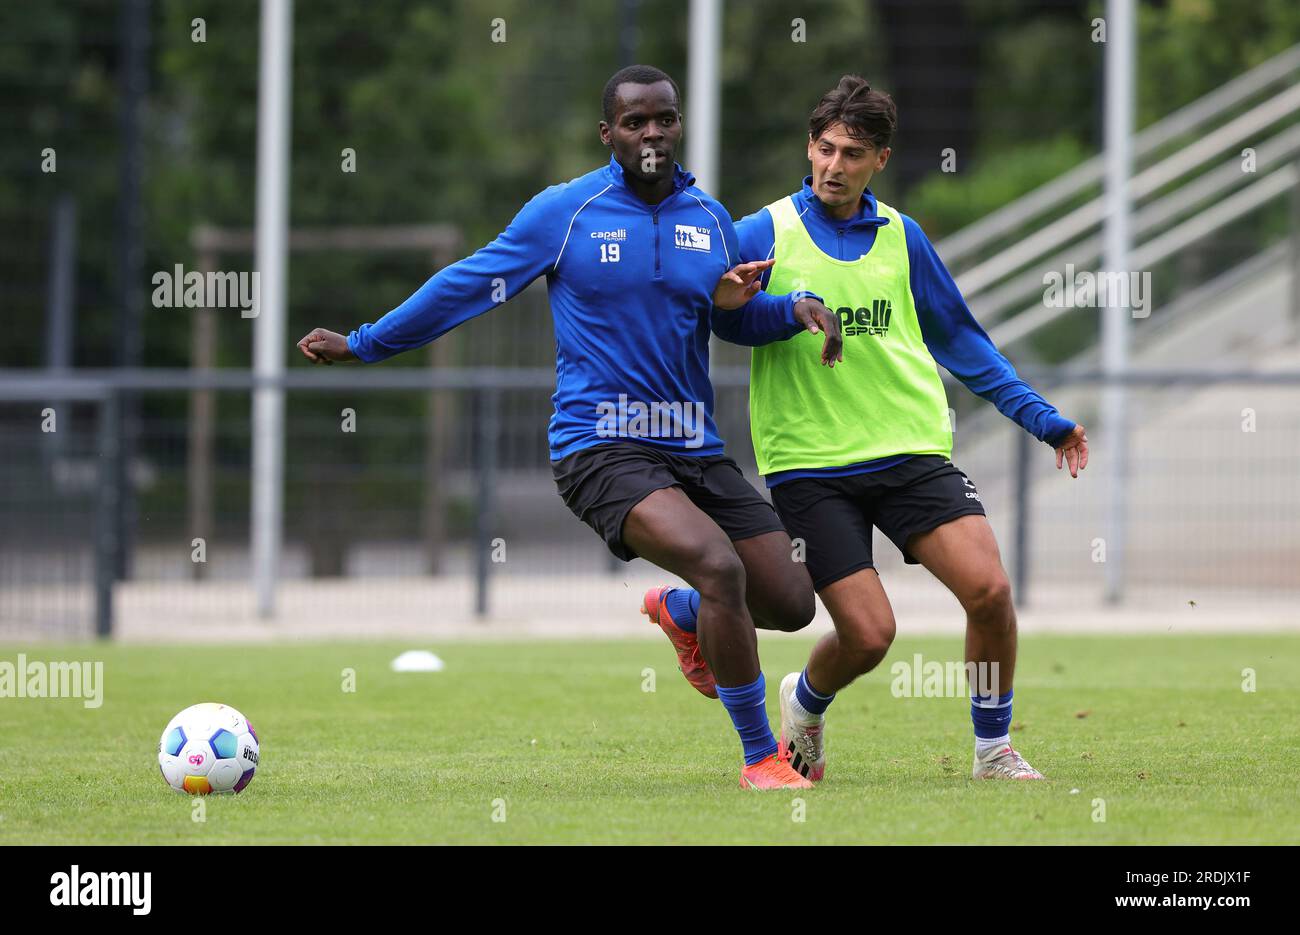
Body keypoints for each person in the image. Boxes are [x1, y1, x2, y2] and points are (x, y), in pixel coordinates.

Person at [296, 65, 841, 791]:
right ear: (607, 133)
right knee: (719, 565)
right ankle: (760, 759)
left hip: (694, 449)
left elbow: (725, 317)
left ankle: (683, 613)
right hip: (600, 445)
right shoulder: (566, 213)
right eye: (636, 121)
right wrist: (366, 342)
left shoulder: (708, 218)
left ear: (679, 125)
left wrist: (791, 308)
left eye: (664, 119)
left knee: (790, 601)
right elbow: (468, 282)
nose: (652, 133)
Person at [692, 75, 1088, 782]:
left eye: (852, 152)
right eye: (824, 148)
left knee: (991, 592)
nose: (833, 165)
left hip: (910, 449)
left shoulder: (902, 236)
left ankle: (992, 749)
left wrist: (1044, 419)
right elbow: (721, 318)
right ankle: (806, 705)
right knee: (871, 635)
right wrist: (789, 309)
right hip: (810, 463)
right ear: (809, 148)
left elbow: (962, 342)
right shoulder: (763, 231)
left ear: (880, 159)